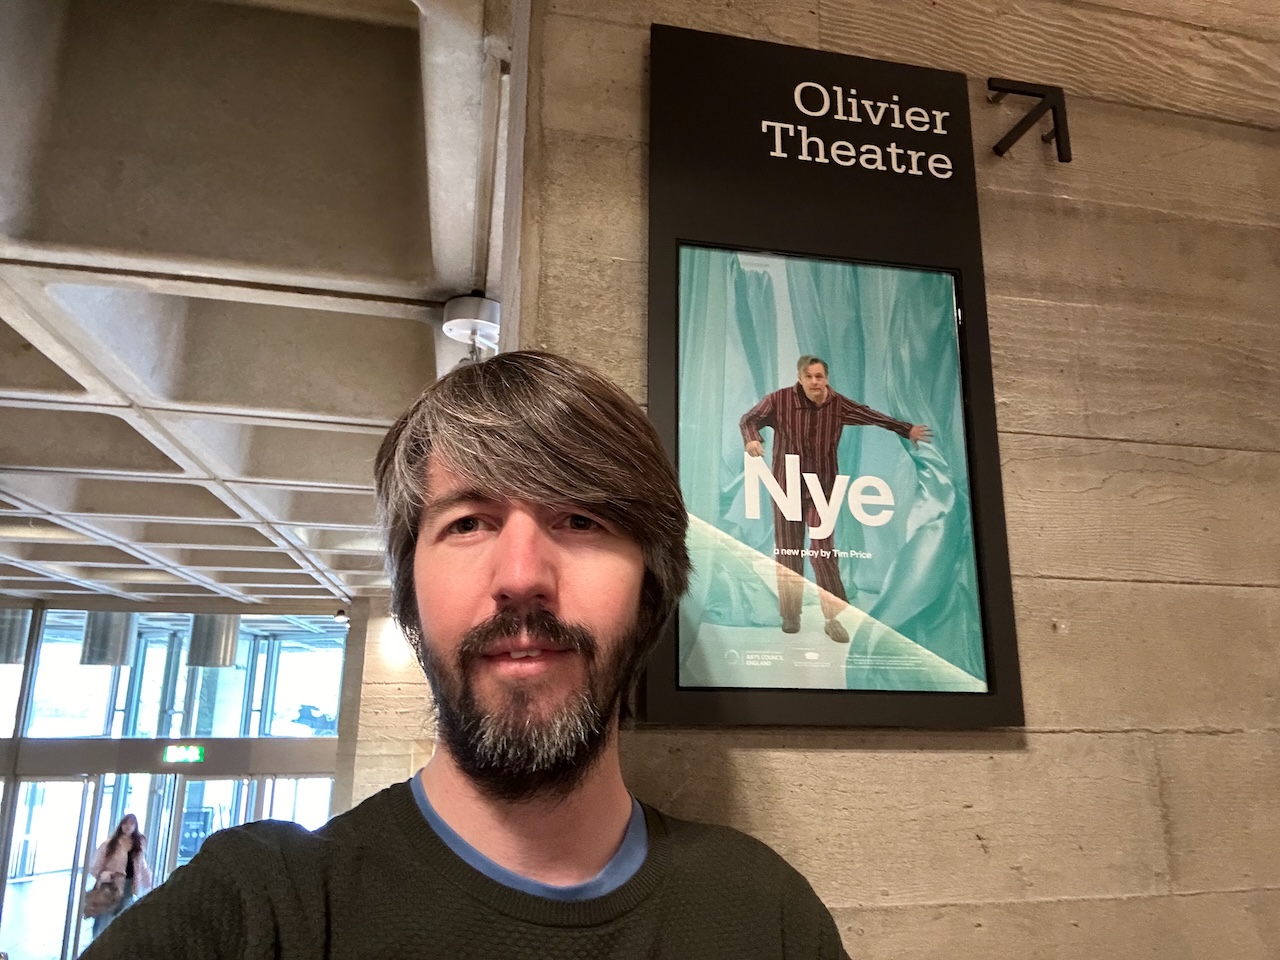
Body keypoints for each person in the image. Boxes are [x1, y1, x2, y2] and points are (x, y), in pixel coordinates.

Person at [83, 351, 848, 959]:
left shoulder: (766, 916)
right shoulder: (258, 911)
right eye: (469, 523)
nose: (521, 578)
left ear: (652, 591)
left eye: (581, 519)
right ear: (409, 594)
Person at [741, 354, 931, 643]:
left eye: (820, 376)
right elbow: (749, 419)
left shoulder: (838, 404)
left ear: (826, 378)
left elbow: (871, 415)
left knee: (822, 552)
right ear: (800, 378)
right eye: (809, 377)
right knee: (788, 550)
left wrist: (906, 429)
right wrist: (752, 438)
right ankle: (790, 615)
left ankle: (833, 619)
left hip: (824, 489)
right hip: (787, 486)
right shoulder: (779, 401)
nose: (815, 382)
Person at [87, 813, 152, 938]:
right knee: (104, 914)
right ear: (121, 825)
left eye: (131, 824)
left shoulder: (137, 846)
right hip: (110, 884)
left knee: (122, 914)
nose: (128, 826)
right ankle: (97, 942)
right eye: (126, 823)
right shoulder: (110, 844)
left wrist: (149, 882)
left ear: (135, 827)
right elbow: (96, 864)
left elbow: (141, 866)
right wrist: (103, 876)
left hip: (129, 885)